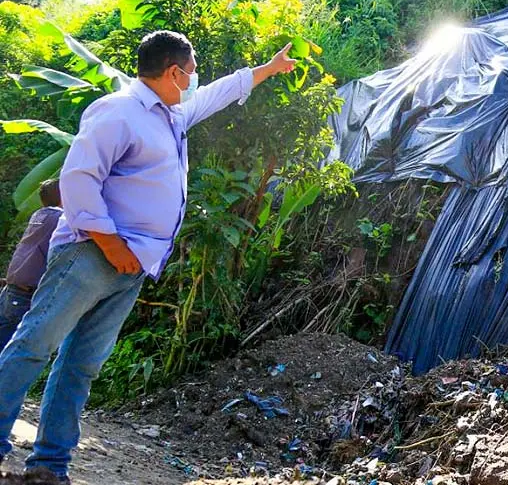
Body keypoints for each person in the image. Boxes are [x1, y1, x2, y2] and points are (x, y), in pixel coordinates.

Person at [0, 31, 296, 482]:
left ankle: (49, 465)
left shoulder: (172, 116)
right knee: (32, 347)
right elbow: (78, 180)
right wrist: (111, 244)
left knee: (80, 365)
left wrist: (269, 69)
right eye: (193, 71)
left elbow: (221, 92)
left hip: (131, 267)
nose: (197, 79)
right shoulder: (118, 111)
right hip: (91, 255)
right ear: (174, 72)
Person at [0, 180, 62, 352]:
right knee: (16, 351)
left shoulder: (39, 215)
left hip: (12, 290)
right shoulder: (59, 218)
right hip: (24, 294)